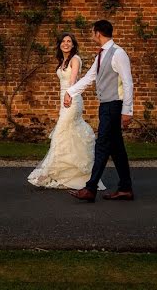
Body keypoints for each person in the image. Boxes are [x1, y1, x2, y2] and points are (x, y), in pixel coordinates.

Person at [64, 19, 135, 202]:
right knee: (117, 149)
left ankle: (90, 188)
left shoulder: (118, 54)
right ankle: (125, 188)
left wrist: (128, 110)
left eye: (92, 32)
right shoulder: (101, 55)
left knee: (102, 145)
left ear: (98, 33)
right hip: (106, 106)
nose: (91, 35)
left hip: (114, 106)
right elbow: (90, 78)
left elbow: (127, 82)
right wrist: (70, 92)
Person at [27, 33, 105, 190]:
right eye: (63, 41)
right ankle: (70, 174)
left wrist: (69, 95)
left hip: (72, 100)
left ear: (73, 45)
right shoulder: (62, 61)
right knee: (69, 135)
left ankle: (49, 172)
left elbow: (73, 80)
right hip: (65, 101)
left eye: (69, 41)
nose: (66, 43)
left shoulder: (75, 59)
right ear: (59, 44)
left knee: (60, 134)